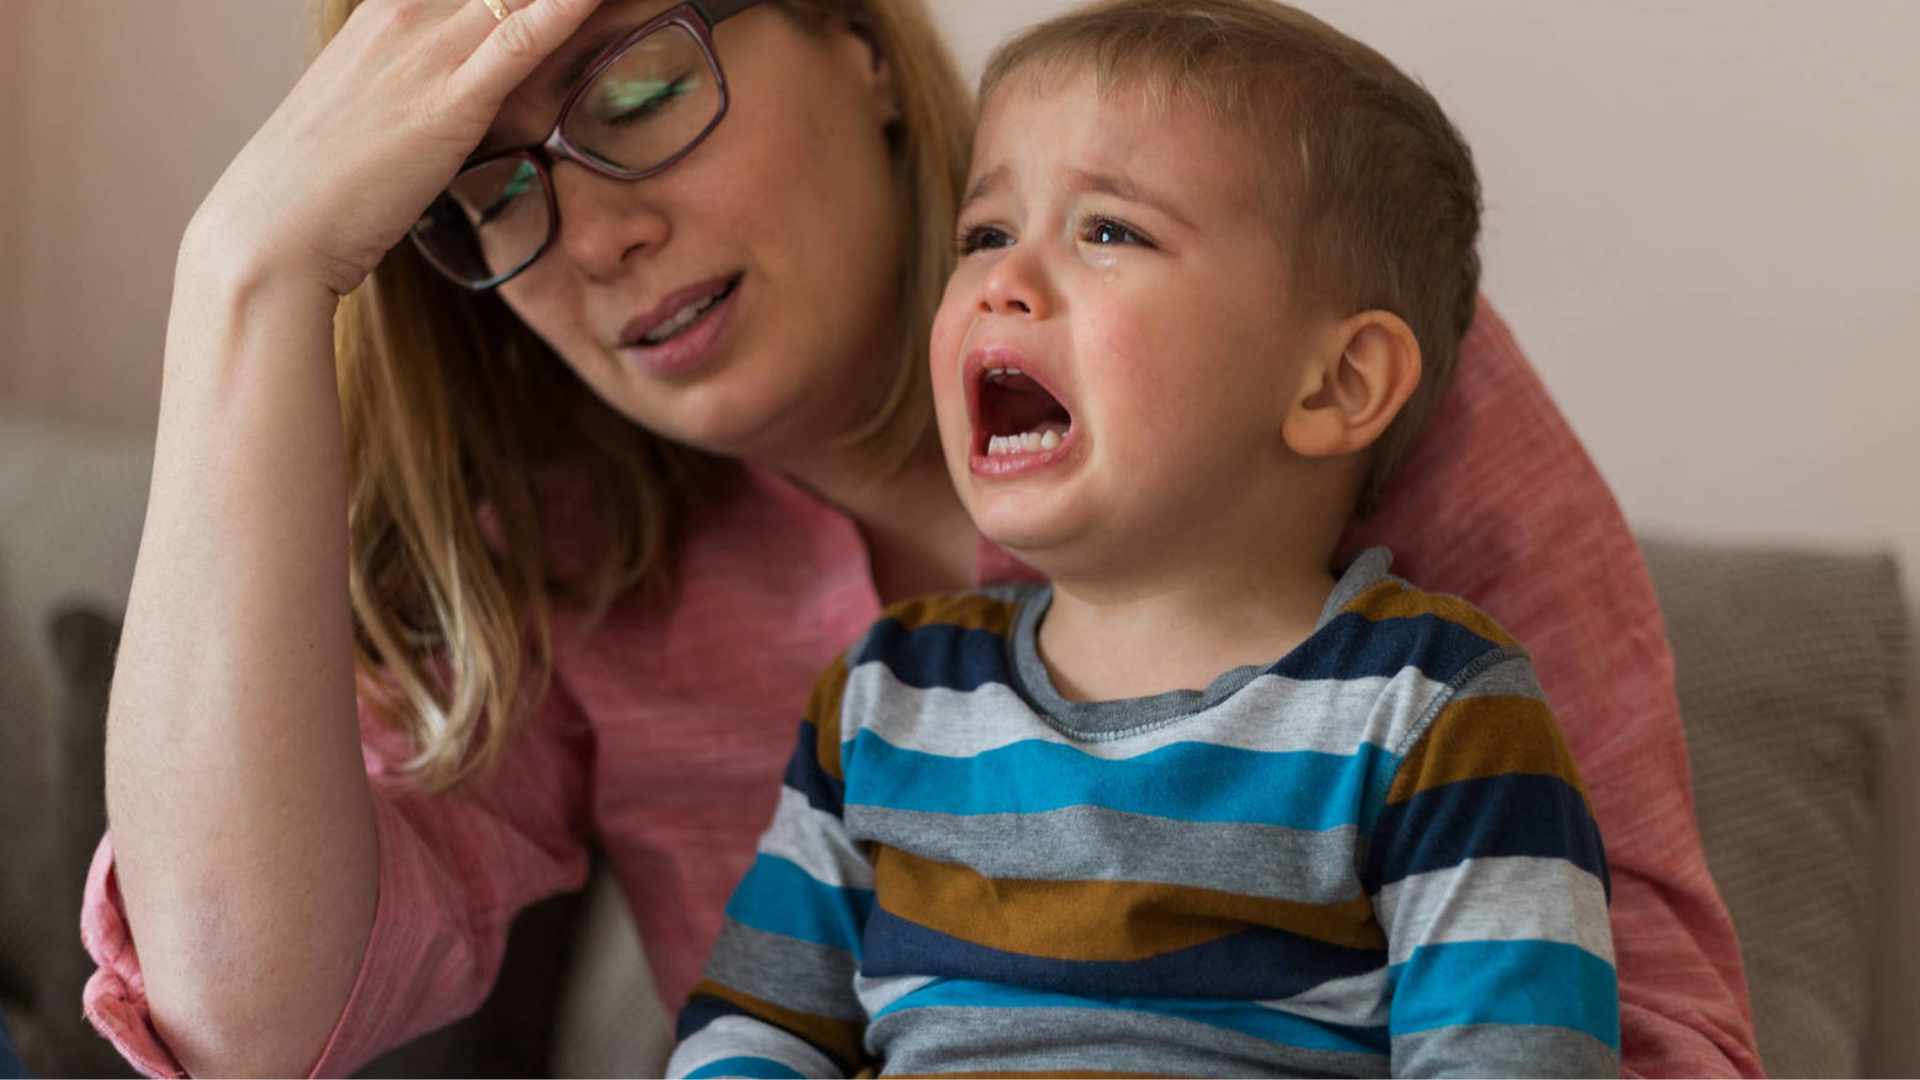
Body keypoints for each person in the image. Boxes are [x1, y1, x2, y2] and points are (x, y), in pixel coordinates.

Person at [79, 0, 1756, 1075]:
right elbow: (241, 1013)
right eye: (490, 192)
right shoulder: (583, 552)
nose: (590, 233)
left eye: (646, 89)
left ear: (860, 42)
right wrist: (246, 273)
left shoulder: (1309, 347)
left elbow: (1648, 1033)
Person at [665, 2, 1615, 1075]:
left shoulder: (1435, 715)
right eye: (985, 234)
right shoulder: (887, 699)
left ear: (1335, 384)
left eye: (1109, 230)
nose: (1000, 283)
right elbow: (757, 1029)